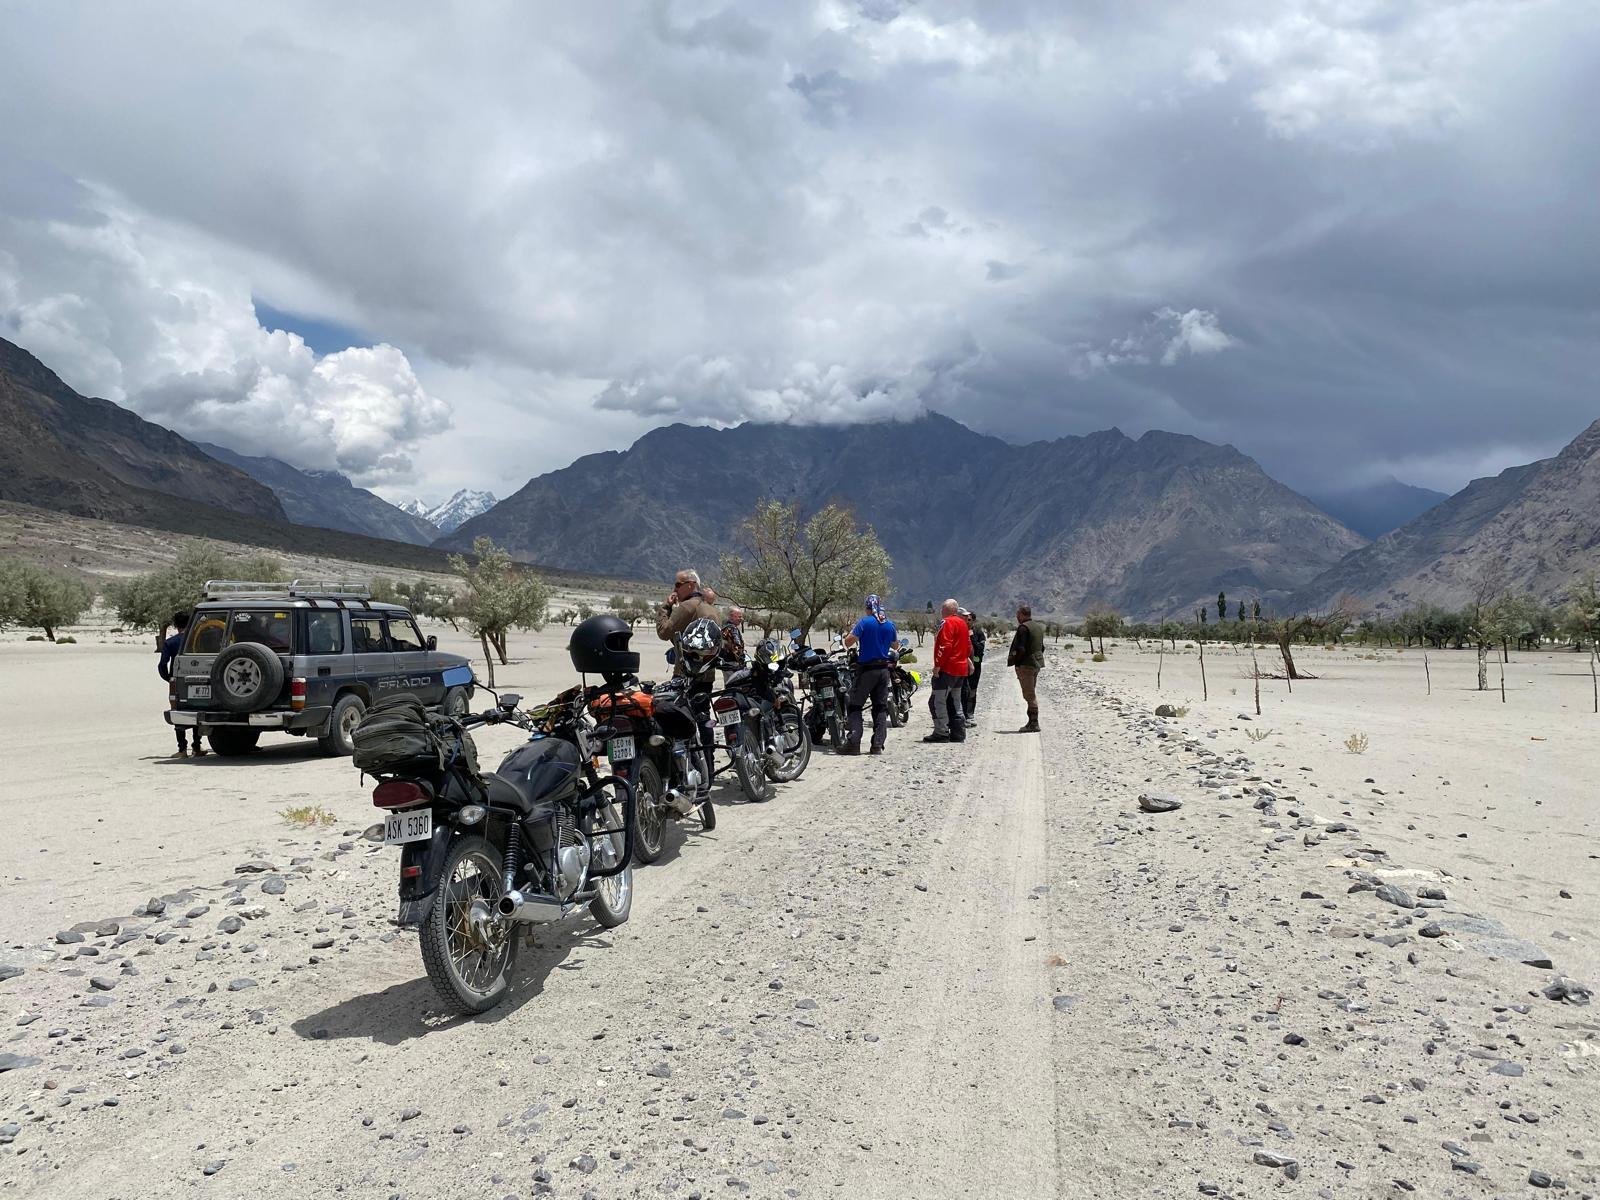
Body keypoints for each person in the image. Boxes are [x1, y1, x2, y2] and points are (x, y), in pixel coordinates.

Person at [841, 595, 898, 756]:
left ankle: (854, 743)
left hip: (867, 670)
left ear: (868, 608)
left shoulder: (865, 622)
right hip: (883, 670)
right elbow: (895, 645)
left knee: (854, 705)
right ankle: (877, 745)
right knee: (880, 707)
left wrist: (851, 632)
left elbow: (848, 642)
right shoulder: (889, 623)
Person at [655, 568, 722, 676]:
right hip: (708, 675)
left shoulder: (687, 606)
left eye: (678, 585)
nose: (675, 589)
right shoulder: (713, 610)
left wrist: (666, 606)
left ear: (690, 584)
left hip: (686, 674)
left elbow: (663, 632)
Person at [157, 611, 204, 758]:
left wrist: (169, 679)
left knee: (178, 712)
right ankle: (197, 747)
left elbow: (162, 665)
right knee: (197, 710)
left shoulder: (170, 642)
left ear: (175, 625)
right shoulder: (198, 640)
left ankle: (182, 749)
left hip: (178, 680)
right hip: (199, 677)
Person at [923, 599, 970, 744]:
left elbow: (944, 646)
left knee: (937, 701)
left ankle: (941, 732)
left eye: (942, 609)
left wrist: (938, 665)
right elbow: (968, 647)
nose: (941, 612)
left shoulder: (947, 623)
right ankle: (958, 732)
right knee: (956, 701)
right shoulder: (963, 623)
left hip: (948, 668)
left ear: (947, 610)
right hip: (960, 669)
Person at [1007, 603, 1046, 733]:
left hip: (1026, 665)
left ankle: (1034, 723)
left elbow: (1021, 648)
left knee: (1029, 695)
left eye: (1018, 615)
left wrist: (1017, 661)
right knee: (1031, 693)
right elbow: (1042, 647)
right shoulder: (1038, 627)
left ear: (1023, 614)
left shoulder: (1023, 628)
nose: (1017, 617)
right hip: (1036, 664)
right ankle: (1031, 722)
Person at [960, 607, 985, 723]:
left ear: (973, 621)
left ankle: (970, 714)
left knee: (972, 690)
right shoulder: (960, 631)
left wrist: (971, 637)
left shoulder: (978, 633)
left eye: (970, 620)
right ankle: (961, 714)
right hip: (962, 666)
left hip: (975, 666)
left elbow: (980, 650)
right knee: (962, 690)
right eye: (966, 619)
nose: (968, 621)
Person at [720, 605, 748, 684]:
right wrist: (742, 660)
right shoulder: (732, 629)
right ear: (731, 616)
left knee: (728, 683)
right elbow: (737, 647)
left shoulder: (724, 627)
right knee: (735, 686)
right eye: (739, 617)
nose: (741, 619)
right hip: (733, 664)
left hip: (726, 663)